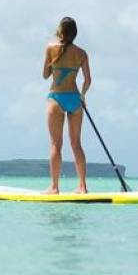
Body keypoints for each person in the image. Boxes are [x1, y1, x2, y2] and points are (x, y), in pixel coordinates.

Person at [42, 17, 94, 194]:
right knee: (76, 144)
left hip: (56, 98)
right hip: (75, 99)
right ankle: (82, 186)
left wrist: (55, 65)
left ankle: (54, 187)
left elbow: (45, 75)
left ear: (60, 32)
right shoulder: (82, 53)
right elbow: (88, 80)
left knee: (56, 144)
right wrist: (82, 95)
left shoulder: (50, 48)